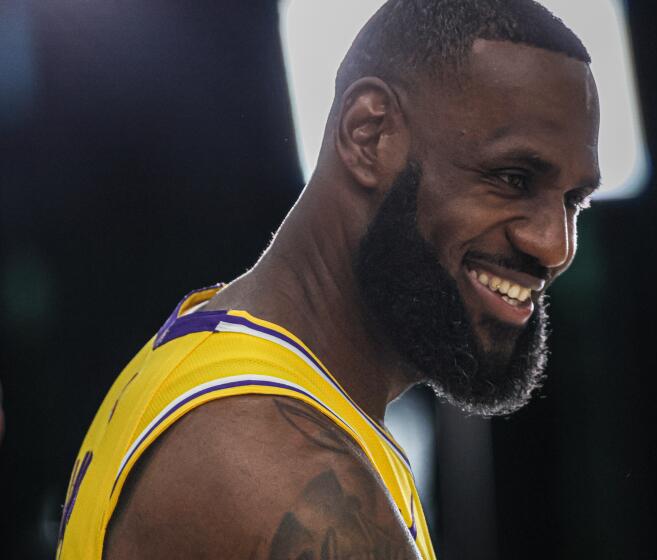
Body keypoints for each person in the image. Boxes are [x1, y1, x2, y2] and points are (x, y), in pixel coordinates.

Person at [57, 0, 600, 558]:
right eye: (513, 179)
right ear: (369, 135)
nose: (555, 246)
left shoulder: (213, 349)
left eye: (574, 202)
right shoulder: (283, 472)